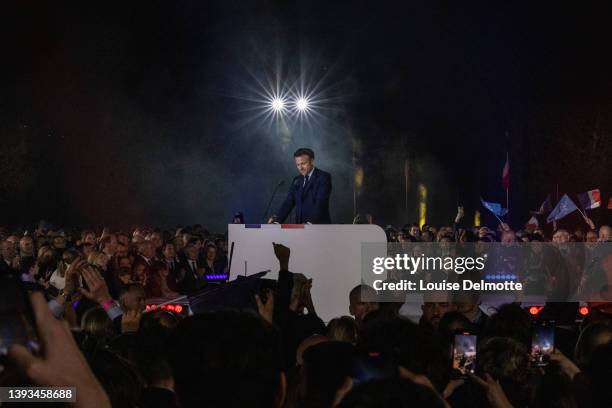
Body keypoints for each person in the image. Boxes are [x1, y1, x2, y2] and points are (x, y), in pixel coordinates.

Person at [270, 148, 332, 224]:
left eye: (303, 163)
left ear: (312, 161)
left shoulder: (323, 177)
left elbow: (320, 203)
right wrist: (277, 222)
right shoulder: (297, 180)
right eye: (298, 164)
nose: (300, 168)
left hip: (318, 228)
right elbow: (288, 202)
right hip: (300, 229)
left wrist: (309, 223)